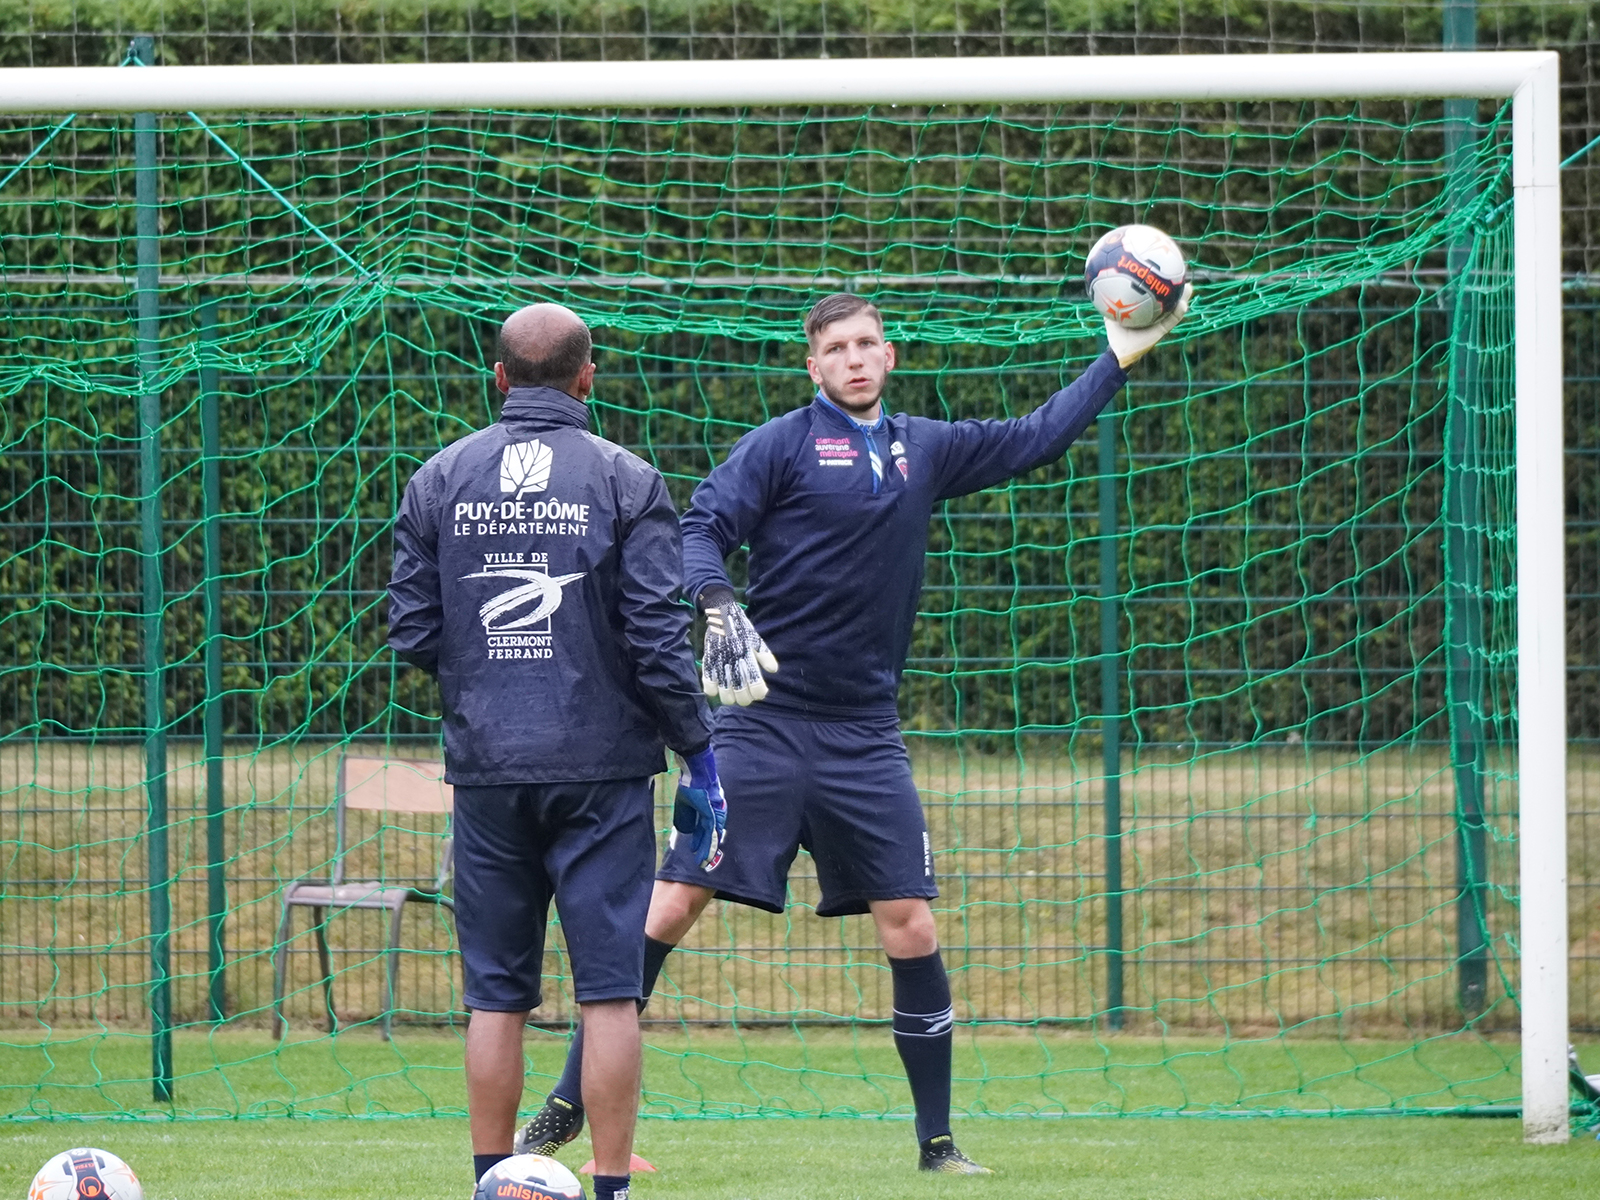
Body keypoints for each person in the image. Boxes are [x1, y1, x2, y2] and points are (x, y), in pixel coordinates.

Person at [518, 287, 1191, 1173]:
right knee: (673, 903)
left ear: (889, 355)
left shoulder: (929, 448)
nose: (856, 358)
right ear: (814, 365)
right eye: (837, 348)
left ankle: (938, 1146)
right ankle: (568, 1106)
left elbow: (1037, 437)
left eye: (868, 344)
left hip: (866, 736)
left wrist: (1117, 354)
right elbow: (701, 528)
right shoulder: (783, 445)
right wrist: (717, 604)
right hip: (763, 726)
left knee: (910, 925)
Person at [387, 302, 727, 1200]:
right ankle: (609, 1189)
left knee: (495, 995)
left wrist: (486, 682)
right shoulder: (626, 478)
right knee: (609, 992)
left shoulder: (437, 477)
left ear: (498, 379)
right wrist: (701, 751)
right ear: (588, 375)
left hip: (488, 771)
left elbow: (413, 631)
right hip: (604, 774)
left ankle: (491, 1184)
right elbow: (657, 640)